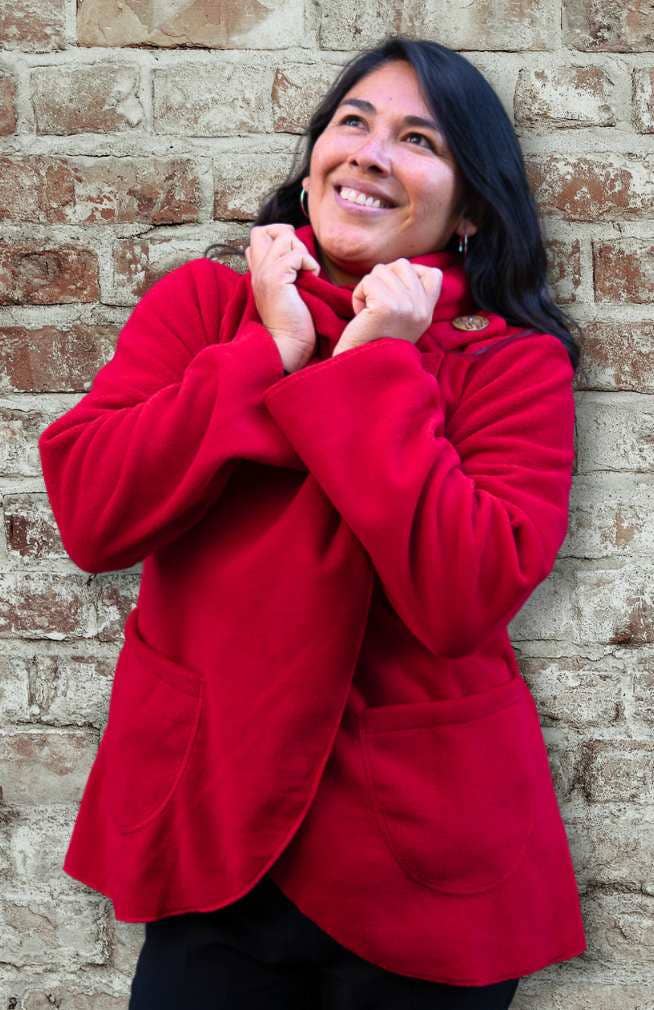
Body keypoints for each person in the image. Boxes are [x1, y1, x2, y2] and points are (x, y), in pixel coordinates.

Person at [37, 34, 587, 1010]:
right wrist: (270, 349)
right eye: (353, 122)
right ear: (314, 161)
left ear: (470, 210)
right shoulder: (204, 308)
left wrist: (373, 366)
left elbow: (465, 594)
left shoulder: (512, 364)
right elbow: (91, 511)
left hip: (421, 859)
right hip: (209, 831)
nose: (371, 153)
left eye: (419, 139)